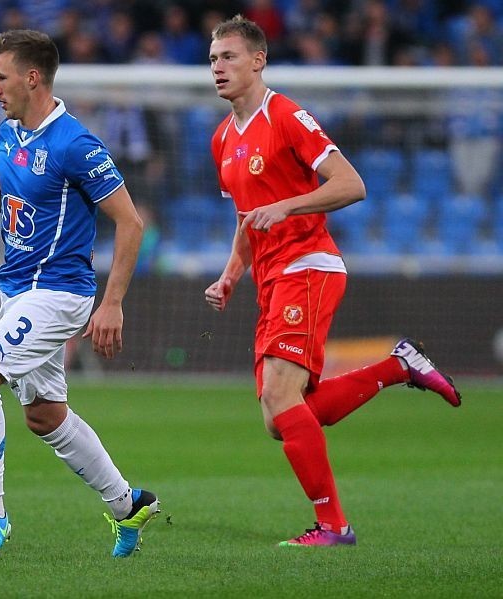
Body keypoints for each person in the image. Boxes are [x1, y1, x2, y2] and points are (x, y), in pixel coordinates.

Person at [203, 15, 462, 547]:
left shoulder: (288, 116)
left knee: (278, 395)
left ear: (258, 60)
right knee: (282, 418)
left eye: (229, 57)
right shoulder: (222, 138)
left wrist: (289, 205)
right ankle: (398, 366)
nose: (218, 67)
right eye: (212, 59)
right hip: (271, 277)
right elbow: (245, 218)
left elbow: (352, 184)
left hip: (309, 265)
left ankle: (334, 526)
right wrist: (232, 273)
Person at [0, 29, 159, 559]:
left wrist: (113, 303)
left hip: (59, 293)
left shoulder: (76, 144)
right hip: (18, 289)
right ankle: (129, 504)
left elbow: (130, 221)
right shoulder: (10, 131)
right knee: (45, 416)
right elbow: (3, 188)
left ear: (31, 78)